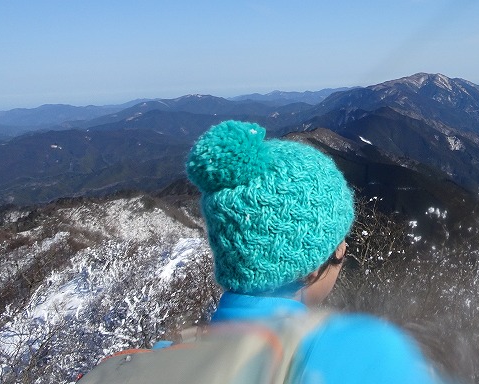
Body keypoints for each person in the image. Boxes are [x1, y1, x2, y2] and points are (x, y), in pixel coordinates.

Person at [185, 119, 437, 384]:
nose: (345, 247)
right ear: (310, 267)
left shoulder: (166, 358)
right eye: (338, 244)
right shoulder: (366, 360)